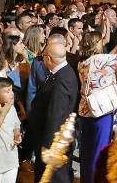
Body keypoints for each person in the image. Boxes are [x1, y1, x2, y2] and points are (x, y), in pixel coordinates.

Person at [77, 30, 117, 183]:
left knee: (87, 151)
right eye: (100, 41)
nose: (102, 43)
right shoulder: (99, 60)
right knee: (99, 151)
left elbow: (108, 59)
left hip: (86, 112)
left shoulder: (85, 61)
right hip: (101, 113)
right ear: (95, 44)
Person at [28, 42, 79, 183]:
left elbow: (56, 114)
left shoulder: (61, 81)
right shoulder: (64, 73)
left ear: (48, 59)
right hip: (56, 139)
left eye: (43, 56)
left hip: (54, 143)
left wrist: (48, 144)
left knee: (53, 178)